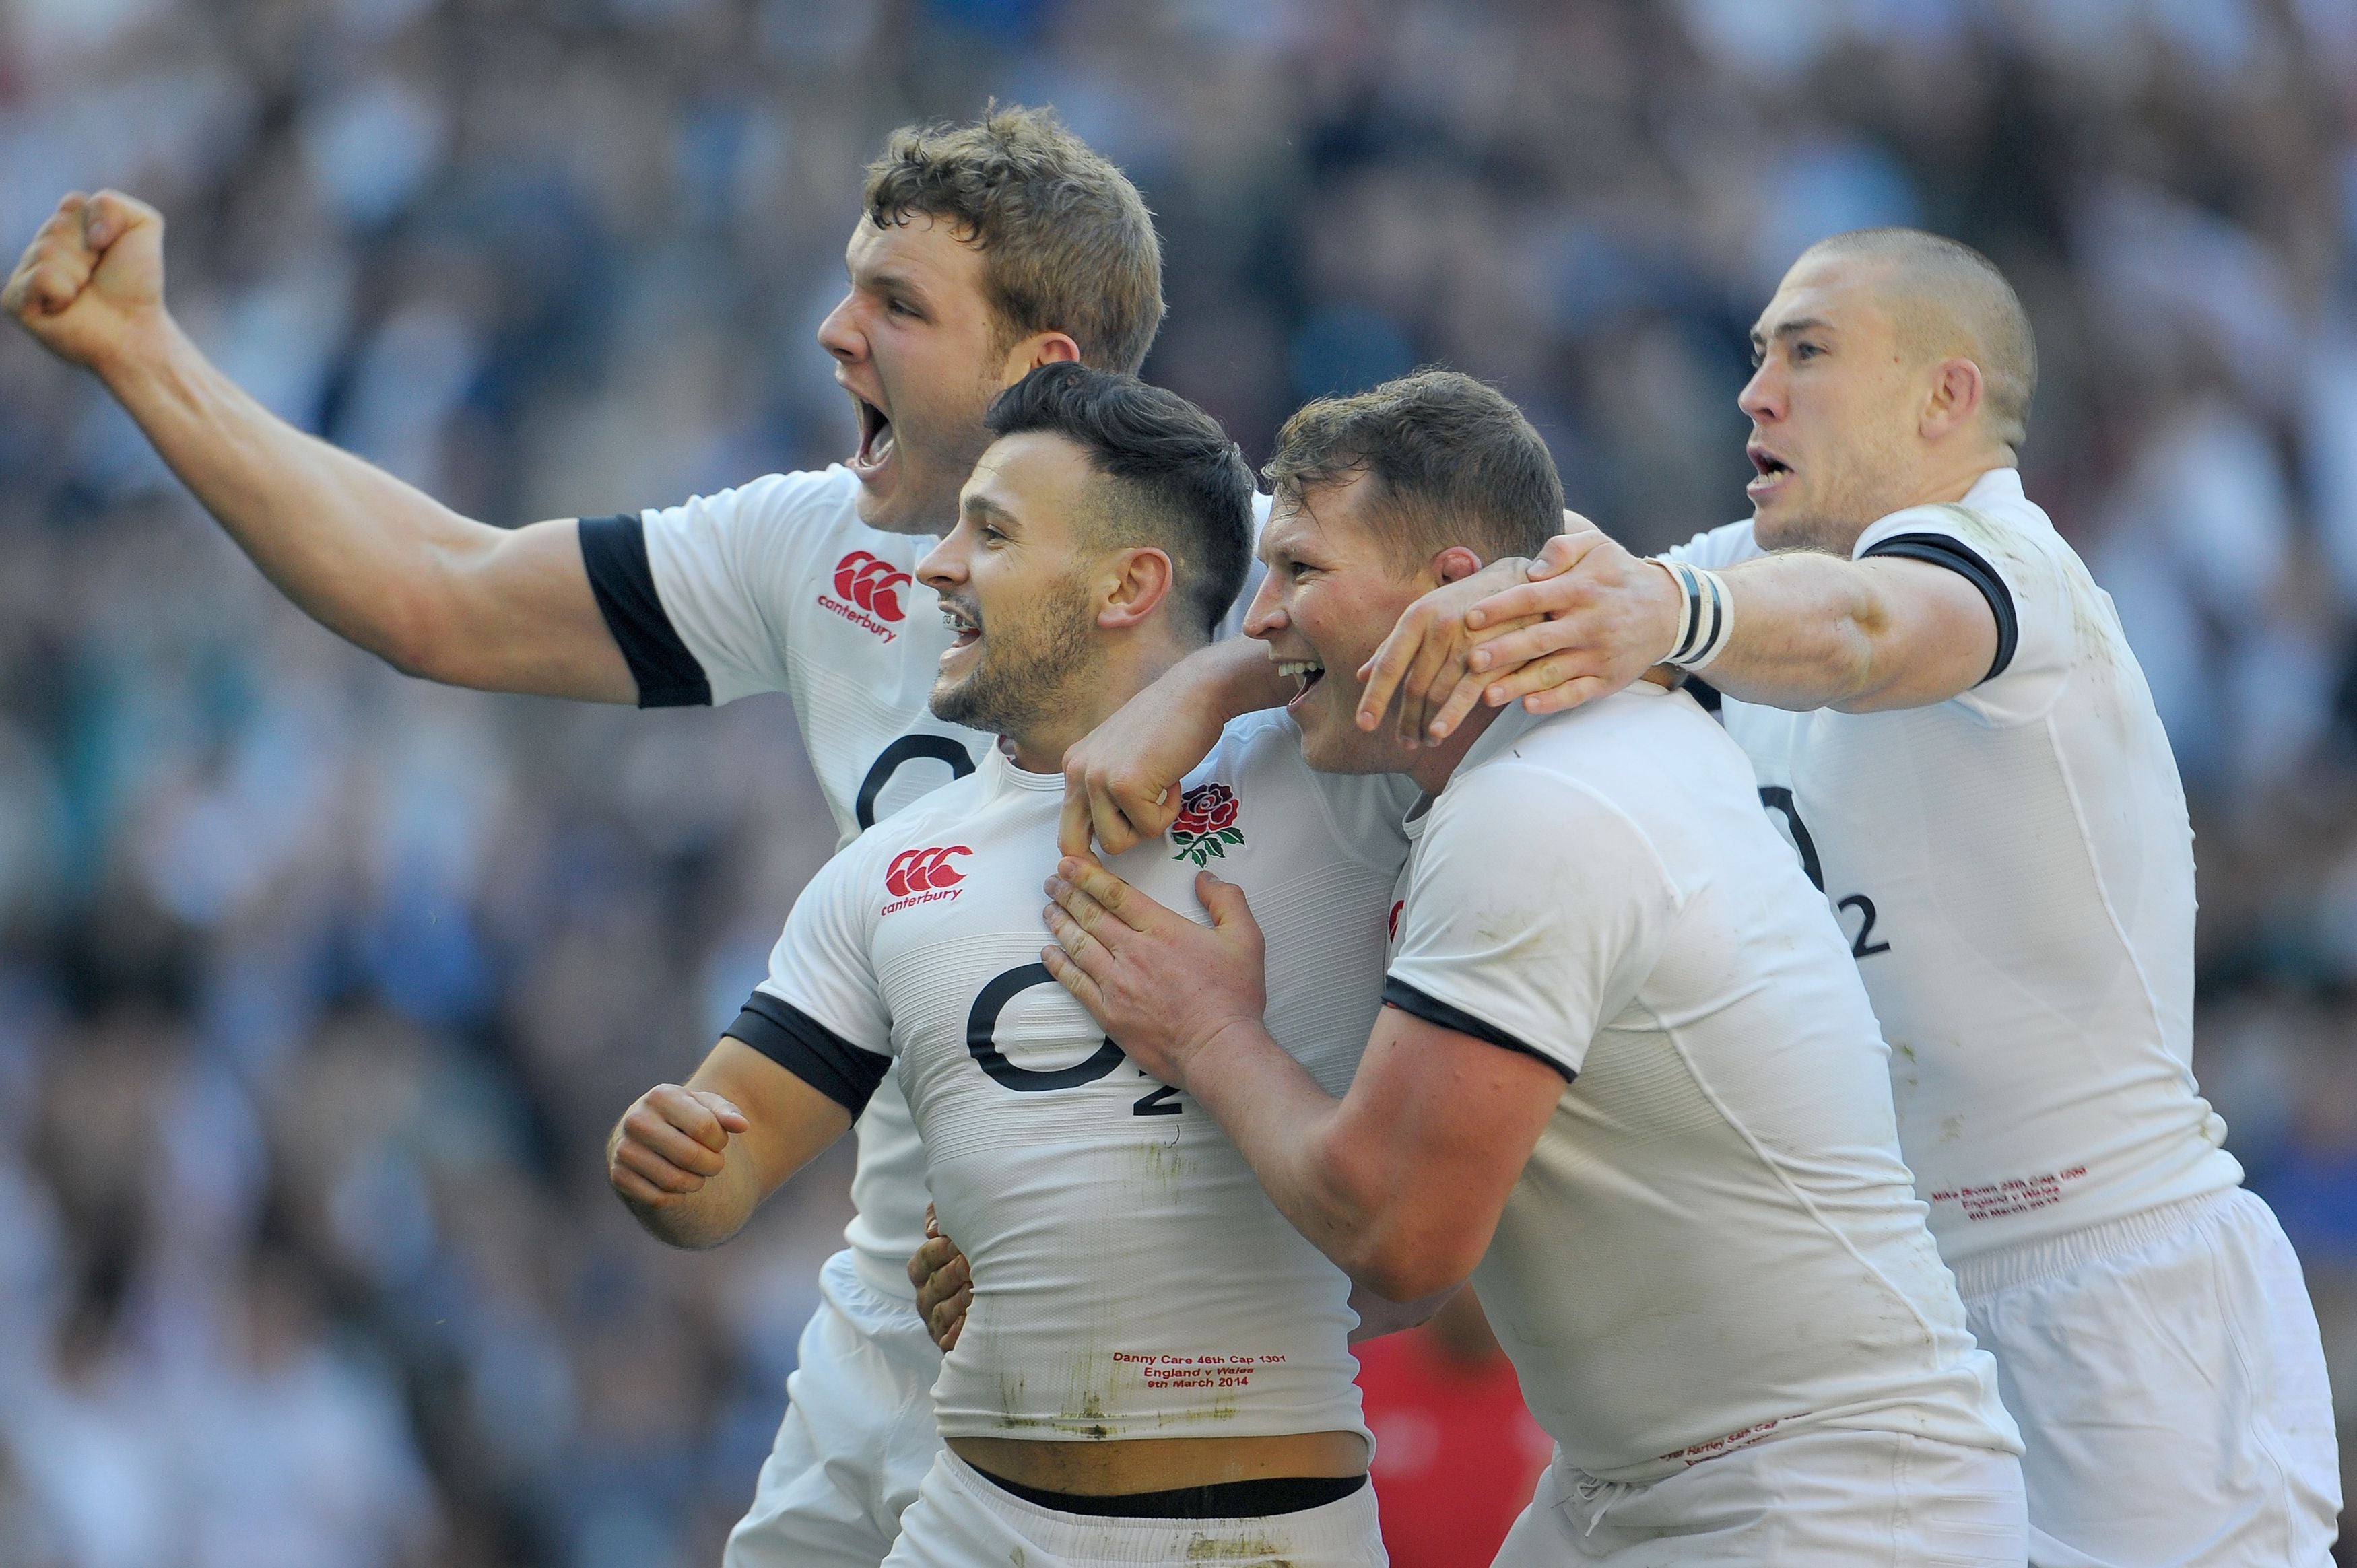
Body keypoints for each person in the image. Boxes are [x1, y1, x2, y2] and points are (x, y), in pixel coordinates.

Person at [0, 106, 1177, 1566]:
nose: (833, 332)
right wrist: (143, 354)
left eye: (896, 304)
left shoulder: (1264, 588)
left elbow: (1487, 632)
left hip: (1159, 1375)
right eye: (848, 283)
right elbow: (440, 589)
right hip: (889, 1344)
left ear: (1036, 369)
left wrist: (1562, 586)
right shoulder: (811, 545)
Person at [1344, 230, 2344, 1568]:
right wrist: (1200, 695)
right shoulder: (1719, 600)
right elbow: (1504, 586)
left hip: (2106, 1312)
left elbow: (1867, 626)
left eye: (1805, 351)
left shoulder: (2012, 572)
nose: (1754, 389)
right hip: (1858, 1331)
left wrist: (1659, 607)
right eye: (1755, 354)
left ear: (1945, 397)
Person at [1030, 370, 2029, 1563]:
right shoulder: (1586, 728)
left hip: (1819, 1504)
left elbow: (1398, 1241)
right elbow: (1398, 1298)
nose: (1260, 616)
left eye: (1300, 572)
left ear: (1456, 591)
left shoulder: (1536, 810)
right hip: (1655, 1486)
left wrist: (1206, 1032)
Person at [607, 364, 1414, 1565]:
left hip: (1279, 1529)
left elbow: (1516, 587)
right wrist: (671, 1164)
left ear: (1128, 585)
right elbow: (727, 1160)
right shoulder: (886, 874)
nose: (935, 567)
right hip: (980, 1523)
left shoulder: (1341, 778)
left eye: (987, 532)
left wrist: (1217, 678)